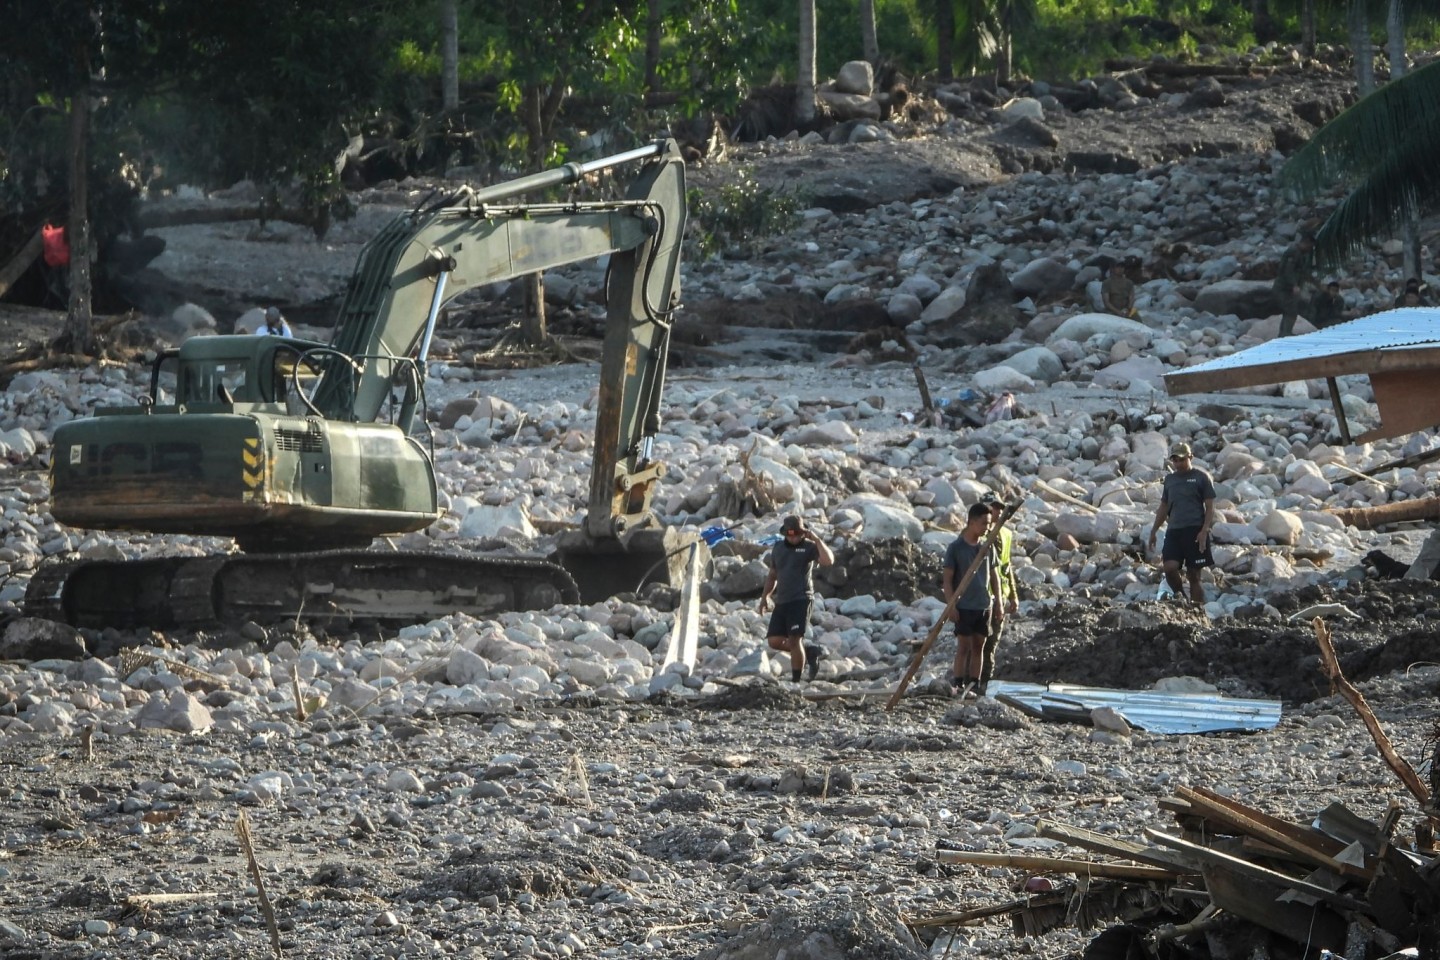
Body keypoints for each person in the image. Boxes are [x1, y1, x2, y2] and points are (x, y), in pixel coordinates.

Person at [758, 516, 834, 683]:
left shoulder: (809, 547)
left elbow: (828, 560)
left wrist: (816, 539)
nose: (793, 538)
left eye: (796, 535)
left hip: (801, 599)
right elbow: (773, 575)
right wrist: (765, 597)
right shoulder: (778, 548)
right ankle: (809, 651)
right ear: (785, 534)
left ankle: (796, 681)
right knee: (774, 640)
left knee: (794, 638)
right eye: (789, 535)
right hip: (782, 600)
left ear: (803, 533)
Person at [942, 503, 1003, 697]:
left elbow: (995, 577)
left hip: (983, 605)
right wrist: (951, 605)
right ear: (972, 522)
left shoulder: (987, 547)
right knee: (964, 647)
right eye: (984, 523)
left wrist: (999, 603)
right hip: (964, 605)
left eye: (989, 523)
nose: (987, 528)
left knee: (979, 646)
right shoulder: (956, 548)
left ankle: (974, 685)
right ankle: (958, 683)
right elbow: (947, 579)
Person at [1147, 442, 1217, 605]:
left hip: (1195, 530)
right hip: (1174, 531)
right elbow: (1164, 506)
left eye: (1181, 459)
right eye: (1175, 460)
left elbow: (1210, 506)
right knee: (1169, 567)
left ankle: (1198, 609)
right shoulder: (1170, 480)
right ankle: (1182, 599)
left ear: (1190, 457)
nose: (1178, 463)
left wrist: (1204, 531)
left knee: (1194, 575)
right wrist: (1153, 531)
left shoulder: (1201, 477)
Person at [977, 491, 1019, 695]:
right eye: (994, 508)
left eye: (999, 509)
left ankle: (985, 683)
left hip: (999, 594)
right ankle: (971, 682)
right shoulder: (977, 535)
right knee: (978, 642)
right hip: (981, 596)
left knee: (991, 644)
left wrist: (1012, 595)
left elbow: (1006, 565)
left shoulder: (1005, 534)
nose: (997, 512)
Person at [1273, 234, 1314, 337]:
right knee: (1290, 311)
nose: (1310, 249)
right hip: (1283, 288)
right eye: (1310, 246)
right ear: (1306, 243)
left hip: (1288, 288)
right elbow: (1288, 270)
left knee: (1291, 310)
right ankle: (1285, 333)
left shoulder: (1299, 254)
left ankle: (1285, 332)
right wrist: (1294, 285)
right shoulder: (1293, 252)